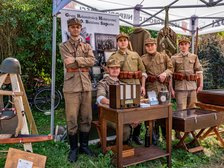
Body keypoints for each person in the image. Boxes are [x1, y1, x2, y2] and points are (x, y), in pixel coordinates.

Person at [59, 18, 95, 163]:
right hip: (71, 87)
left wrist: (76, 60)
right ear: (69, 29)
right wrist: (83, 61)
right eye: (72, 27)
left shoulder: (87, 46)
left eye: (77, 27)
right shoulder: (63, 45)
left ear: (80, 29)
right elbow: (67, 64)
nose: (75, 29)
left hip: (85, 86)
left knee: (86, 117)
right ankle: (74, 148)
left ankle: (84, 146)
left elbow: (92, 61)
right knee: (72, 118)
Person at [107, 33, 147, 145]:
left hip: (137, 86)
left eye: (125, 40)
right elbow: (110, 73)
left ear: (128, 42)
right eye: (120, 40)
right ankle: (126, 136)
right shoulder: (114, 57)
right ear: (117, 43)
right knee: (127, 111)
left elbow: (143, 71)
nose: (123, 42)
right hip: (124, 88)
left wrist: (143, 85)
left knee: (139, 111)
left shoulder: (135, 54)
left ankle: (136, 136)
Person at [141, 37, 174, 144]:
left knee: (164, 112)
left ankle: (166, 135)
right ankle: (152, 136)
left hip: (163, 88)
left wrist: (165, 73)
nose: (150, 47)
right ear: (145, 47)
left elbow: (171, 68)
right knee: (151, 113)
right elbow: (142, 73)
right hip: (151, 89)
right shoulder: (142, 59)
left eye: (152, 45)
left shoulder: (163, 56)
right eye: (148, 45)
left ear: (156, 45)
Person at [170, 36, 203, 138]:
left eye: (185, 44)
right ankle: (178, 132)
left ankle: (190, 131)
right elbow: (170, 74)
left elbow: (199, 71)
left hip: (192, 87)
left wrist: (200, 84)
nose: (183, 46)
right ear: (179, 46)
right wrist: (171, 88)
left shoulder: (194, 57)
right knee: (181, 110)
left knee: (192, 109)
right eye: (181, 44)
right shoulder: (174, 58)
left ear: (189, 45)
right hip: (180, 88)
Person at [96, 58, 132, 143]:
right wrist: (114, 102)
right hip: (108, 115)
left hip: (122, 113)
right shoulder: (103, 83)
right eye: (112, 68)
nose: (115, 70)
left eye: (117, 68)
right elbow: (100, 98)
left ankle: (122, 142)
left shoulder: (123, 84)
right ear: (108, 69)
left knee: (137, 119)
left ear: (120, 70)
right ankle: (118, 146)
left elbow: (129, 101)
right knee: (125, 129)